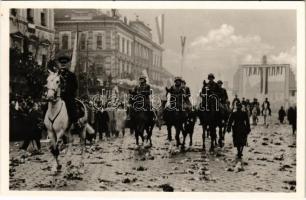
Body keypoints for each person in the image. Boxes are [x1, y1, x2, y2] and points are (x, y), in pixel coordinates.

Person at [55, 51, 78, 128]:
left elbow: (75, 86)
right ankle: (43, 123)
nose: (63, 65)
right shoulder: (56, 74)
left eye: (64, 63)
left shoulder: (71, 75)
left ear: (67, 64)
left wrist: (69, 91)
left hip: (67, 97)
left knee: (72, 106)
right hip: (57, 96)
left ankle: (75, 122)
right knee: (46, 105)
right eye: (61, 63)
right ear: (59, 64)